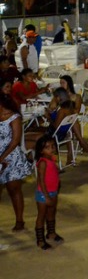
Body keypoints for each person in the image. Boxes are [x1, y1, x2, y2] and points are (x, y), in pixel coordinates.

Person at [0, 96, 30, 232]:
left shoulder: (14, 117)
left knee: (14, 190)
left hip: (11, 157)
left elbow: (15, 140)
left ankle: (19, 220)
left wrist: (2, 157)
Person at [32, 134, 61, 249]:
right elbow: (41, 181)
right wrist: (46, 196)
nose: (51, 149)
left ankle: (51, 233)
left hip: (53, 192)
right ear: (41, 150)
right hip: (43, 194)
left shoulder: (52, 159)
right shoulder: (43, 162)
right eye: (47, 147)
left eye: (53, 146)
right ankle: (40, 240)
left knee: (51, 213)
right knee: (41, 216)